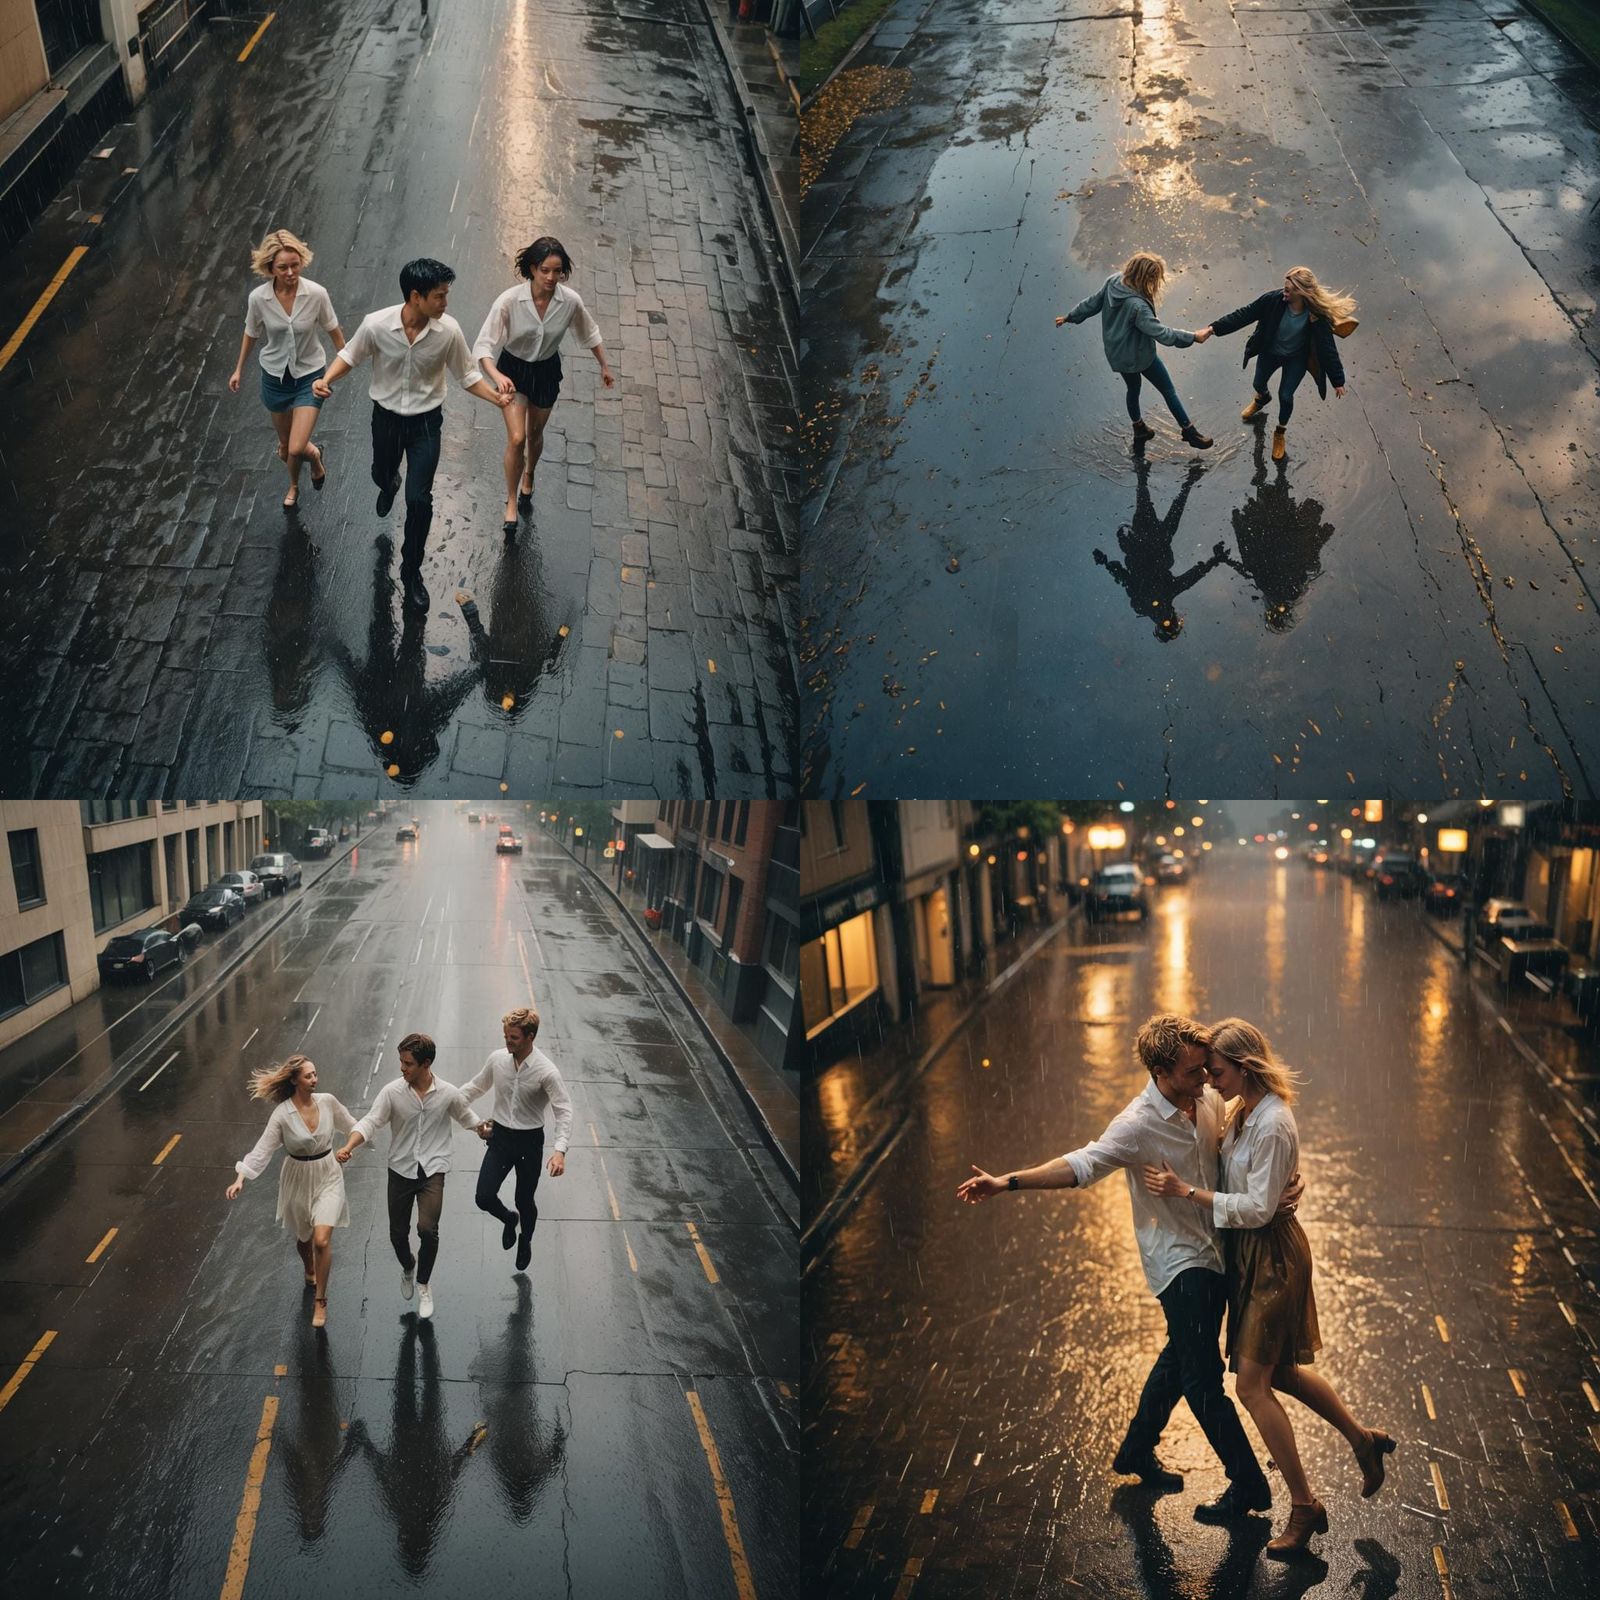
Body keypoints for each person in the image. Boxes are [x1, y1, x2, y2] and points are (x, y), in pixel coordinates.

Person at [956, 1014, 1296, 1521]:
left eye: (1207, 1070)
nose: (1206, 1082)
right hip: (1182, 1264)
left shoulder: (1204, 1098)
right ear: (1161, 1071)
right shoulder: (1137, 1124)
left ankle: (1135, 1450)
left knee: (1178, 1359)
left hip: (1220, 1249)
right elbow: (1082, 1163)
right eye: (1192, 1073)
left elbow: (1247, 1146)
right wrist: (1009, 1182)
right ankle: (1247, 1482)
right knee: (1202, 1378)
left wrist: (1280, 1183)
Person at [1143, 1018, 1394, 1558]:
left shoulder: (1273, 1121)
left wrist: (1187, 1192)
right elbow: (1249, 1186)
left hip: (1272, 1258)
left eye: (1217, 1071)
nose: (1210, 1081)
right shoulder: (1241, 1113)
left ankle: (1304, 1506)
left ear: (1245, 1066)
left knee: (1252, 1386)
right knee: (1280, 1372)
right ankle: (1363, 1440)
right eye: (1206, 1072)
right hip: (1249, 1255)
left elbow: (1257, 1209)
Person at [313, 258, 510, 614]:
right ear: (415, 296)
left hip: (425, 425)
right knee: (382, 473)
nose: (445, 303)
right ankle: (387, 483)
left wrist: (496, 398)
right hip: (386, 420)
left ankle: (411, 570)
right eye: (439, 296)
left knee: (419, 500)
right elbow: (350, 355)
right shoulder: (376, 325)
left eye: (445, 295)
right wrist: (326, 380)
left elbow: (466, 375)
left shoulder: (448, 331)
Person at [473, 236, 616, 536]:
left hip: (547, 371)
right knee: (516, 438)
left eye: (558, 271)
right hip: (513, 370)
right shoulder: (509, 301)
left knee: (535, 434)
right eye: (545, 270)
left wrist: (604, 365)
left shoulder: (570, 302)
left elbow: (589, 332)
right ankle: (511, 501)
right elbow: (483, 346)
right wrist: (495, 375)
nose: (552, 278)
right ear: (532, 269)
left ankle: (530, 473)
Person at [335, 1032, 482, 1321]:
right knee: (397, 1234)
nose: (402, 1068)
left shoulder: (448, 1094)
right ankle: (408, 1265)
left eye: (408, 1063)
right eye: (401, 1062)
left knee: (428, 1229)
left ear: (426, 1064)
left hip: (432, 1172)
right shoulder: (392, 1092)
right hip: (400, 1171)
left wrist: (484, 1130)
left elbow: (469, 1119)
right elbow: (371, 1121)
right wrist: (349, 1146)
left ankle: (424, 1284)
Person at [225, 1054, 357, 1328]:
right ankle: (309, 1268)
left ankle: (320, 1301)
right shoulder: (282, 1114)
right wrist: (241, 1178)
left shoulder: (328, 1101)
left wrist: (348, 1148)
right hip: (297, 1177)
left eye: (315, 1074)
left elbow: (353, 1126)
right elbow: (261, 1151)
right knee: (304, 1237)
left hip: (328, 1174)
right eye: (308, 1075)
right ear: (295, 1080)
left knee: (322, 1240)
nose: (315, 1079)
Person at [228, 229, 344, 509]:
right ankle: (293, 485)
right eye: (283, 267)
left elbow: (334, 331)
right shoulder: (259, 298)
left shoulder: (316, 294)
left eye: (295, 265)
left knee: (296, 446)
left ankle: (314, 457)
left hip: (310, 376)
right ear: (270, 268)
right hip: (275, 377)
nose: (291, 272)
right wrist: (238, 369)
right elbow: (251, 332)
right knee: (284, 448)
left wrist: (342, 365)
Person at [1056, 251, 1214, 449]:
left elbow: (1092, 303)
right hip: (1140, 355)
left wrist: (1070, 316)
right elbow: (1162, 333)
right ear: (1146, 278)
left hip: (1118, 354)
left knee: (1133, 389)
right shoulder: (1137, 306)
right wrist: (1192, 337)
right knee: (1168, 390)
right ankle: (1190, 432)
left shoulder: (1113, 281)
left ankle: (1139, 428)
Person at [1198, 267, 1356, 463]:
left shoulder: (1315, 315)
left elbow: (1327, 348)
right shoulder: (1273, 301)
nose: (1284, 292)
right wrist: (1212, 329)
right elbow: (1244, 314)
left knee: (1286, 396)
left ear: (1302, 292)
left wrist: (1337, 380)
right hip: (1270, 352)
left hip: (1296, 358)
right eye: (1284, 288)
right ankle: (1262, 398)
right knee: (1258, 384)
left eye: (1289, 290)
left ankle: (1280, 432)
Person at [461, 1006, 572, 1272]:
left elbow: (563, 1110)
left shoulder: (547, 1072)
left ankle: (526, 1239)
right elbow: (475, 1087)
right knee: (483, 1196)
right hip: (500, 1138)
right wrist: (450, 1104)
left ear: (530, 1037)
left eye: (514, 1038)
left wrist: (559, 1151)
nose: (507, 1042)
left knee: (525, 1199)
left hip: (529, 1142)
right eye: (506, 1037)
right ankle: (509, 1219)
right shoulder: (497, 1060)